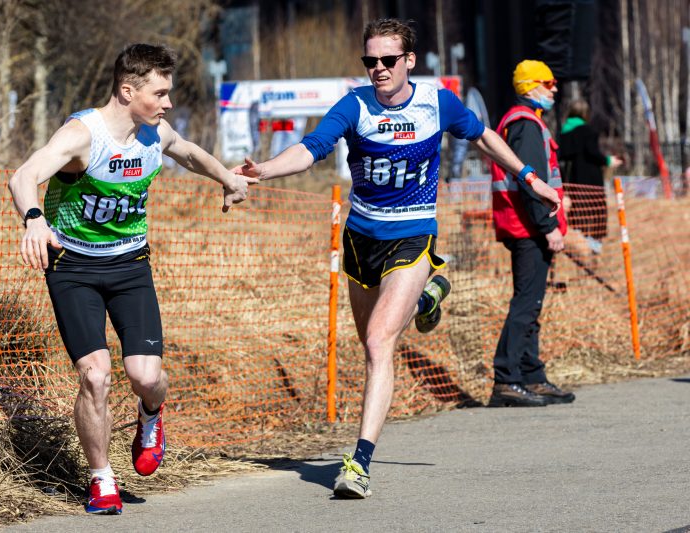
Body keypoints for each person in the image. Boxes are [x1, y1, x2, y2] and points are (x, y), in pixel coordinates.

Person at [233, 19, 561, 499]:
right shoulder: (355, 105)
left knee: (378, 344)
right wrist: (263, 170)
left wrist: (529, 177)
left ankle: (359, 463)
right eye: (371, 61)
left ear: (408, 60)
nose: (379, 69)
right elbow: (311, 150)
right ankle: (429, 296)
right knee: (369, 337)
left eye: (388, 60)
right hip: (361, 239)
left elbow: (485, 136)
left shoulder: (436, 103)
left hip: (412, 235)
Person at [8, 43, 258, 515]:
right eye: (160, 93)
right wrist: (35, 219)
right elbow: (24, 176)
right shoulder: (83, 135)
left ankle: (150, 413)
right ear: (128, 90)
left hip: (129, 268)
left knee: (145, 377)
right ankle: (102, 479)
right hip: (75, 269)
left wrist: (227, 177)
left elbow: (187, 152)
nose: (167, 103)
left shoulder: (153, 133)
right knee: (95, 377)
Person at [488, 59, 576, 408]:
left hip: (527, 225)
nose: (554, 89)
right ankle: (507, 379)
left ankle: (531, 375)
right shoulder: (524, 124)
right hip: (528, 227)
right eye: (549, 83)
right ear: (531, 86)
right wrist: (548, 226)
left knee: (532, 302)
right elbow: (532, 184)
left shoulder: (527, 122)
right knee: (526, 303)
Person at [558, 98, 623, 254]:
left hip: (571, 179)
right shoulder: (588, 131)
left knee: (576, 208)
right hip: (590, 178)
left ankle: (575, 238)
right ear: (585, 114)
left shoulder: (563, 132)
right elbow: (593, 153)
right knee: (595, 208)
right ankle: (594, 243)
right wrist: (608, 160)